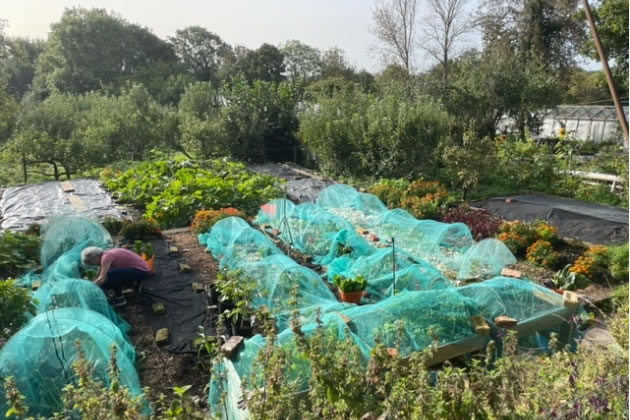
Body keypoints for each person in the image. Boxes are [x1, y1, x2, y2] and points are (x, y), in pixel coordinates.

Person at [81, 246, 150, 307]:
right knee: (108, 281)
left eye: (91, 263)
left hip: (141, 271)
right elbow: (99, 273)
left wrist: (89, 289)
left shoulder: (105, 258)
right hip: (140, 269)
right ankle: (134, 284)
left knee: (112, 273)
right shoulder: (106, 254)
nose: (93, 265)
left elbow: (101, 279)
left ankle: (120, 299)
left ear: (95, 258)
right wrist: (93, 282)